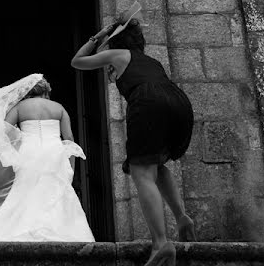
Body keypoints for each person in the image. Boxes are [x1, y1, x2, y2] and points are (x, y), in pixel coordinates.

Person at [72, 18, 196, 266]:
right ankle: (182, 217)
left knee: (141, 171)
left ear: (115, 40)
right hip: (179, 103)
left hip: (149, 103)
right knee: (157, 165)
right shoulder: (151, 61)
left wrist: (99, 35)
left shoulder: (119, 54)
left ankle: (161, 243)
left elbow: (77, 61)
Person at [0, 77, 94, 242]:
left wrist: (12, 155)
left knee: (25, 190)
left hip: (29, 152)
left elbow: (2, 132)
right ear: (46, 91)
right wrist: (71, 167)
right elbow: (68, 138)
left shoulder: (20, 107)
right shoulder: (59, 108)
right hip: (55, 153)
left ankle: (24, 228)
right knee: (57, 189)